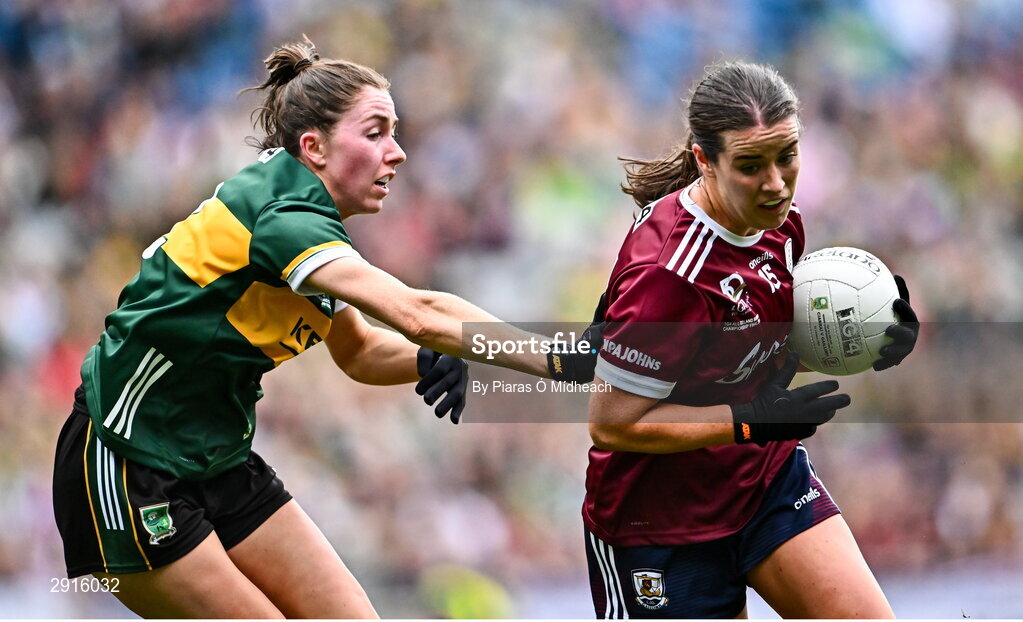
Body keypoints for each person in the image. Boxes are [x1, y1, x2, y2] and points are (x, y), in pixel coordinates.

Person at [52, 37, 598, 619]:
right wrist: (560, 359)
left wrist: (426, 361)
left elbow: (359, 351)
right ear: (313, 147)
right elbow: (416, 312)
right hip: (125, 464)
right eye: (376, 132)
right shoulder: (284, 219)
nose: (399, 152)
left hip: (217, 459)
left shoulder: (306, 217)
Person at [582, 61, 919, 619]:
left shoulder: (781, 223)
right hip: (657, 525)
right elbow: (612, 422)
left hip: (762, 480)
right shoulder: (667, 275)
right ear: (703, 161)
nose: (776, 182)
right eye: (750, 165)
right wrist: (749, 419)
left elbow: (750, 351)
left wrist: (870, 329)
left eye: (787, 155)